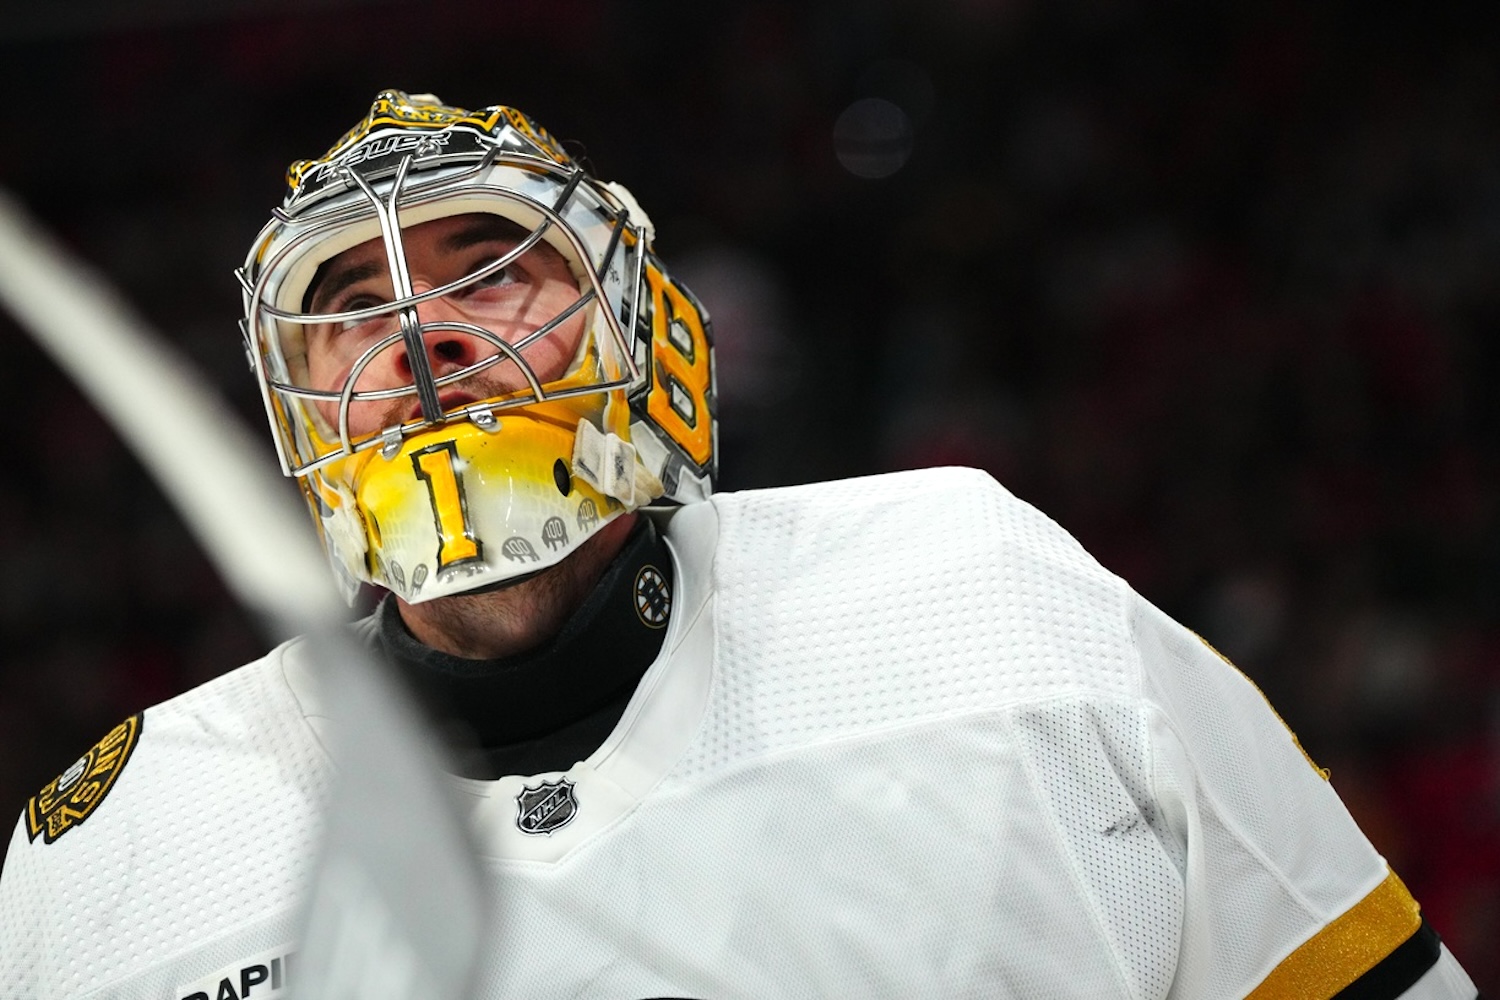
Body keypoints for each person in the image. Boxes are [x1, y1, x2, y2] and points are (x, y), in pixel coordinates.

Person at [0, 90, 1480, 999]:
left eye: (494, 271)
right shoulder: (118, 857)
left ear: (640, 333)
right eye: (348, 313)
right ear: (292, 408)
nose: (421, 337)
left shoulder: (982, 593)